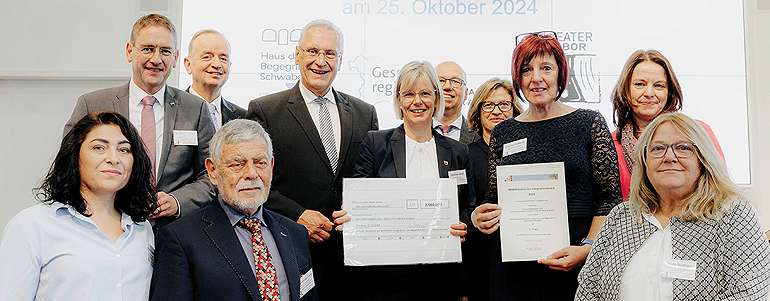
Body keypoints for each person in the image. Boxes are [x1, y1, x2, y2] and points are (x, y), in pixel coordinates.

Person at [471, 31, 622, 300]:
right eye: (527, 70)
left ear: (560, 74)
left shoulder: (589, 123)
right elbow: (492, 199)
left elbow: (609, 198)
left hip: (574, 262)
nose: (536, 78)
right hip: (513, 269)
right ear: (518, 78)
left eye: (546, 68)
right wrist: (478, 216)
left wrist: (587, 248)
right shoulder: (503, 132)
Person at [246, 19, 378, 299]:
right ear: (297, 55)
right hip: (290, 249)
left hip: (350, 260)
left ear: (340, 61)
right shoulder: (265, 110)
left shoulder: (365, 113)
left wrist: (362, 209)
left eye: (330, 54)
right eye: (313, 51)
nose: (321, 61)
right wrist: (297, 215)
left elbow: (373, 180)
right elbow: (252, 181)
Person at [576, 112, 770, 300]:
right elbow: (588, 289)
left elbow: (749, 292)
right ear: (644, 161)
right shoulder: (620, 216)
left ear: (703, 159)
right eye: (657, 148)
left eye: (683, 147)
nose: (669, 157)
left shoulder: (733, 215)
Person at [332, 60, 475, 300]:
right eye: (409, 94)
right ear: (399, 100)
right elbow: (356, 202)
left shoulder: (458, 151)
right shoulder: (376, 145)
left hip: (442, 277)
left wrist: (464, 226)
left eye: (425, 93)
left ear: (436, 99)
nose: (417, 101)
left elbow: (468, 205)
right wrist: (349, 215)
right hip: (385, 280)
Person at [64, 14, 216, 227]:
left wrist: (177, 201)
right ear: (129, 51)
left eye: (165, 51)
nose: (156, 59)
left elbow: (213, 174)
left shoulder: (196, 109)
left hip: (175, 233)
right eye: (147, 49)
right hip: (105, 228)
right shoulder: (93, 104)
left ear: (175, 58)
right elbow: (69, 167)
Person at [150, 119, 316, 301]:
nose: (251, 174)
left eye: (260, 163)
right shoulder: (180, 239)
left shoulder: (296, 234)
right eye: (237, 164)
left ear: (271, 165)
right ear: (212, 171)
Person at [0, 112, 157, 300]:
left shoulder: (141, 228)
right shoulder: (31, 225)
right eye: (99, 148)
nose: (114, 159)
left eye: (124, 150)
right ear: (75, 156)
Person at [611, 50, 725, 200]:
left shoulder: (698, 132)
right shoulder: (608, 144)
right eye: (640, 84)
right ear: (625, 89)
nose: (649, 93)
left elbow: (720, 187)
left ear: (670, 92)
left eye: (659, 86)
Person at [463, 77, 523, 301]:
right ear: (478, 110)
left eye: (504, 104)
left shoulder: (529, 153)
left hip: (521, 258)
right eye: (488, 105)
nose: (496, 110)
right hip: (477, 258)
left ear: (515, 109)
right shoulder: (464, 154)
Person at [184, 29, 246, 130]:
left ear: (229, 65)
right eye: (207, 57)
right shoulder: (171, 111)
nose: (217, 65)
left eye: (223, 58)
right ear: (188, 64)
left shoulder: (243, 118)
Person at [434, 61, 480, 143]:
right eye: (440, 81)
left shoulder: (478, 134)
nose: (447, 87)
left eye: (455, 81)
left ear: (466, 93)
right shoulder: (416, 131)